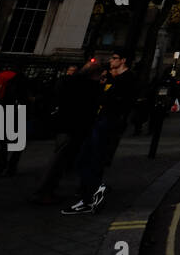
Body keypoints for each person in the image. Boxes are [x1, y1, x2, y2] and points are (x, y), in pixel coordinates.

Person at [63, 51, 139, 215]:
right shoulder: (113, 78)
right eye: (111, 58)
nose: (111, 61)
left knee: (93, 160)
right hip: (99, 122)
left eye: (114, 58)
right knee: (84, 160)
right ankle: (92, 191)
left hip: (109, 123)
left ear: (123, 60)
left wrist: (106, 98)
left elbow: (121, 102)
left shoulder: (128, 79)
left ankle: (89, 198)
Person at [31, 62, 104, 204]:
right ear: (96, 74)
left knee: (60, 160)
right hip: (75, 128)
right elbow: (91, 109)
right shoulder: (91, 87)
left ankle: (48, 191)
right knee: (58, 161)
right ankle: (42, 192)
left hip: (63, 126)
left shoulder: (68, 81)